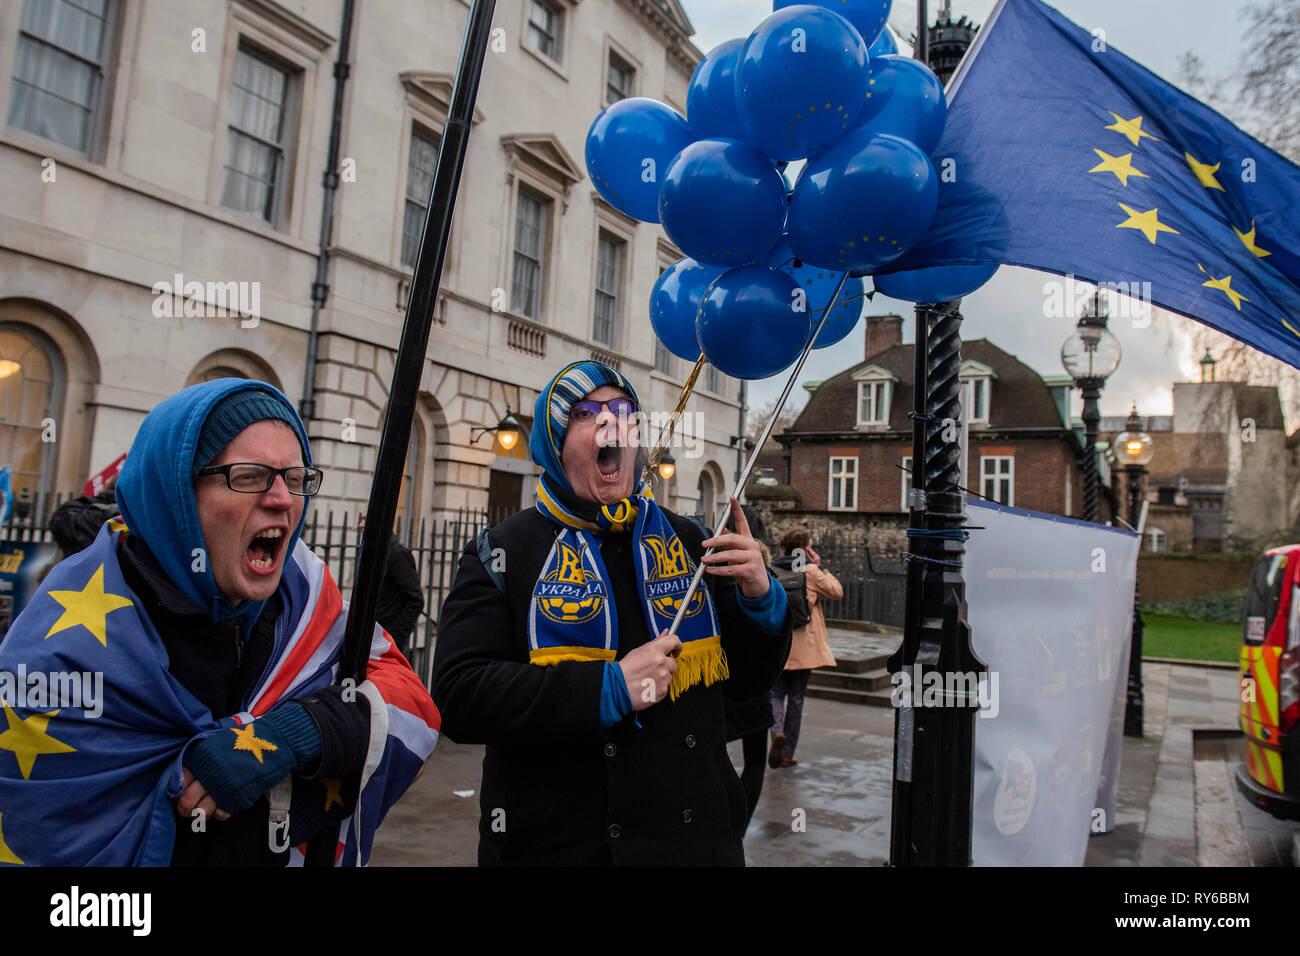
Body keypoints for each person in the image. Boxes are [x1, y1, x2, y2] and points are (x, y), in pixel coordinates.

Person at [0, 379, 439, 866]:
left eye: (295, 478)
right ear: (176, 493)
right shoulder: (61, 650)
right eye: (249, 476)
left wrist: (297, 733)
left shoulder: (304, 593)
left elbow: (410, 707)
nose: (282, 499)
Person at [431, 361, 792, 866]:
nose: (609, 422)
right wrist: (609, 688)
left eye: (622, 411)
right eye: (585, 413)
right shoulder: (503, 550)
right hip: (562, 847)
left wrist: (761, 597)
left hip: (695, 844)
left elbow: (749, 682)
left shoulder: (689, 539)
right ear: (555, 443)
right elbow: (460, 695)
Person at [768, 526, 842, 769]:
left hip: (779, 645)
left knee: (775, 694)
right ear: (804, 550)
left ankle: (776, 731)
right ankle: (787, 752)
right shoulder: (809, 571)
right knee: (796, 699)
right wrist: (821, 567)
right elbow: (836, 592)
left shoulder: (774, 569)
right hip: (805, 648)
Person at [359, 511, 425, 660]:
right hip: (366, 641)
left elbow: (415, 601)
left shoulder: (397, 553)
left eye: (364, 519)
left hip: (385, 644)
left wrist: (393, 637)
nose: (360, 525)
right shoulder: (369, 551)